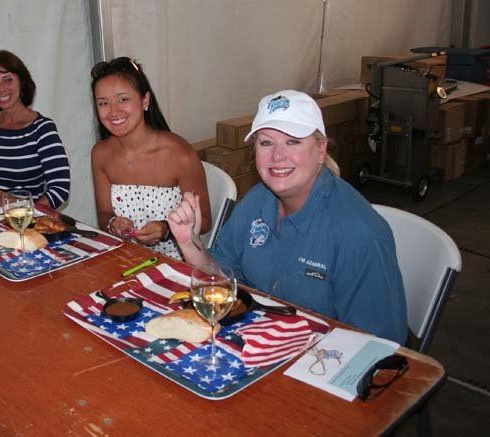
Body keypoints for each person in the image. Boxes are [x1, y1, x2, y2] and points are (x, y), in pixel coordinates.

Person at [167, 90, 408, 344]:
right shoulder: (256, 200)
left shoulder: (359, 234)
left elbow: (377, 345)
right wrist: (189, 242)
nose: (277, 156)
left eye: (293, 141)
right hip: (262, 339)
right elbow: (219, 279)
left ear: (321, 149)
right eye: (266, 143)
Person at [91, 57, 210, 260]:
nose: (113, 111)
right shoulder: (100, 154)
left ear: (145, 100)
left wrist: (166, 229)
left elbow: (205, 220)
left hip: (175, 261)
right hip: (125, 258)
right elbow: (103, 215)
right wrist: (112, 223)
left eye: (123, 99)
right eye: (103, 103)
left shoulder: (180, 154)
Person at [0, 50, 70, 209]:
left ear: (21, 82)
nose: (1, 89)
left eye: (8, 80)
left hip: (22, 219)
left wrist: (29, 215)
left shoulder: (42, 129)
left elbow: (60, 187)